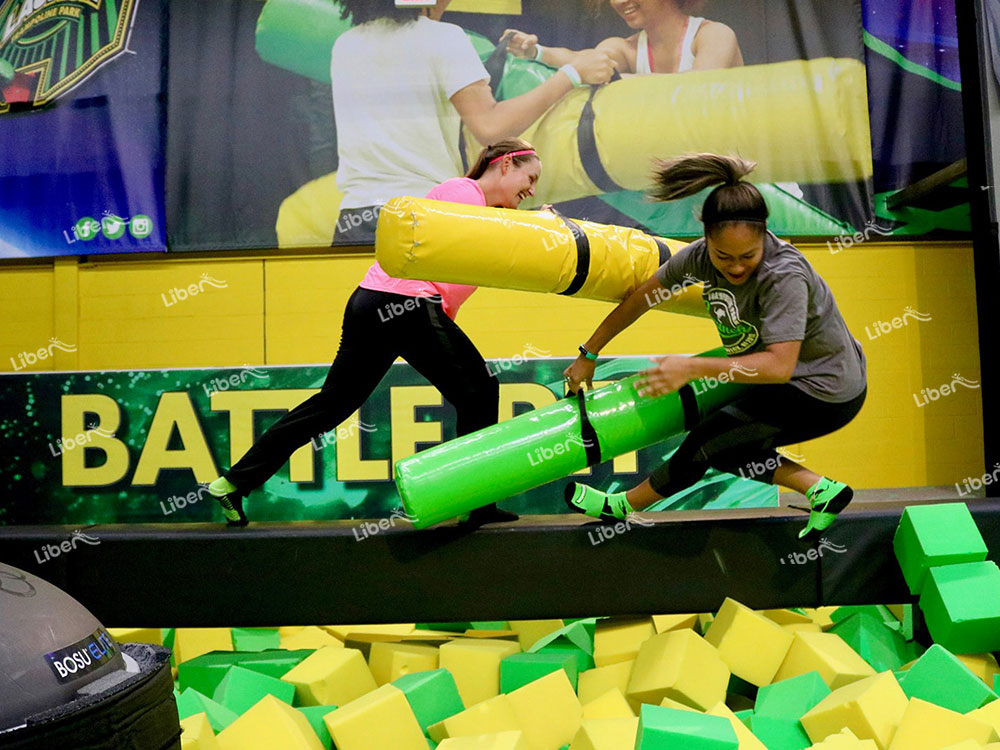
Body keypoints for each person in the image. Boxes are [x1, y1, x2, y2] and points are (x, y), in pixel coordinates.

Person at [208, 140, 544, 526]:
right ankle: (477, 502)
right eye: (529, 177)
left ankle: (233, 483)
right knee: (481, 390)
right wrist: (541, 225)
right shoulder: (462, 191)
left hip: (374, 304)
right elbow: (484, 236)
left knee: (330, 405)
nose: (531, 190)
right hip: (405, 303)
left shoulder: (483, 210)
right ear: (504, 166)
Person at [562, 153, 867, 541]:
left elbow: (779, 367)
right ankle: (822, 490)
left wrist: (690, 368)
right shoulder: (698, 259)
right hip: (795, 380)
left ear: (765, 236)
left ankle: (624, 505)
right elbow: (642, 299)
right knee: (721, 445)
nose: (736, 267)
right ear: (706, 238)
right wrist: (589, 353)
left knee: (709, 441)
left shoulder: (783, 275)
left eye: (747, 257)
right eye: (724, 256)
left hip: (826, 389)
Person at [329, 0, 615, 242]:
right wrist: (571, 75)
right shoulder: (443, 38)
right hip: (425, 215)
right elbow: (490, 128)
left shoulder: (346, 44)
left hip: (355, 220)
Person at [502, 0, 741, 78]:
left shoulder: (714, 35)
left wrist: (623, 80)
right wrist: (536, 52)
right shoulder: (625, 48)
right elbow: (580, 59)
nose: (618, 1)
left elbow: (697, 90)